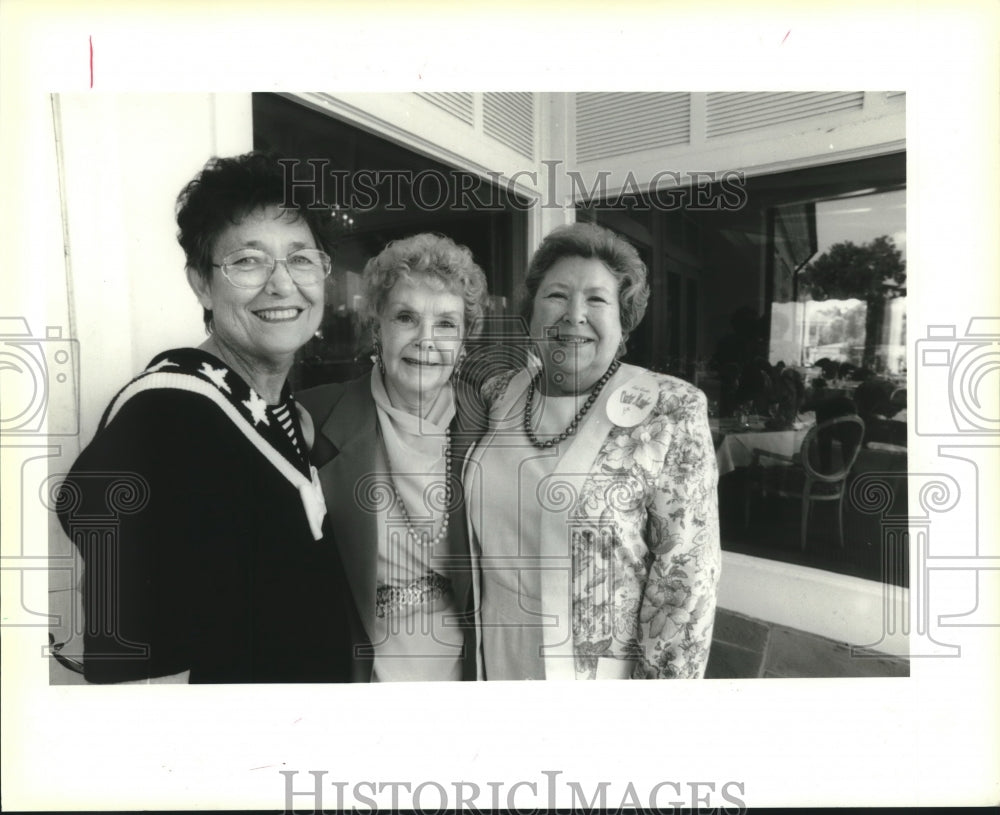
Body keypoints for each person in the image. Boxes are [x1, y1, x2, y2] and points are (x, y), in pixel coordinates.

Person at [56, 152, 363, 683]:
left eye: (301, 258)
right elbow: (131, 669)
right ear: (202, 283)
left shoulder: (285, 412)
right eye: (248, 260)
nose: (282, 284)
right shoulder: (168, 414)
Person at [465, 222, 721, 680]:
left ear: (624, 321)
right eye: (557, 295)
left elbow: (685, 584)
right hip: (496, 657)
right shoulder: (499, 391)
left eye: (597, 299)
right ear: (531, 312)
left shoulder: (669, 409)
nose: (574, 314)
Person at [297, 233, 489, 681]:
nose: (426, 340)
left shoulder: (490, 425)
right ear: (376, 327)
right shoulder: (314, 417)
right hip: (353, 670)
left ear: (464, 341)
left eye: (446, 324)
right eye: (406, 317)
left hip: (466, 667)